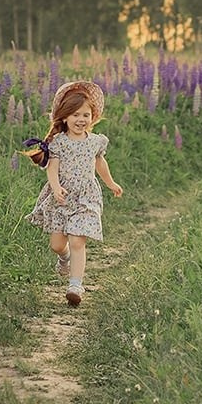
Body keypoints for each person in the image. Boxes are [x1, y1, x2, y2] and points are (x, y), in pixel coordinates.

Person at [23, 80, 123, 306]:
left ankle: (75, 285)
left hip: (86, 197)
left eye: (86, 115)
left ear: (93, 117)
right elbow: (52, 168)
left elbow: (100, 164)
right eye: (76, 115)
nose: (81, 120)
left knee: (78, 240)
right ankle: (64, 258)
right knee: (57, 244)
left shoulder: (96, 142)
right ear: (65, 117)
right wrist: (56, 187)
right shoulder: (58, 142)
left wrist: (110, 183)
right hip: (62, 197)